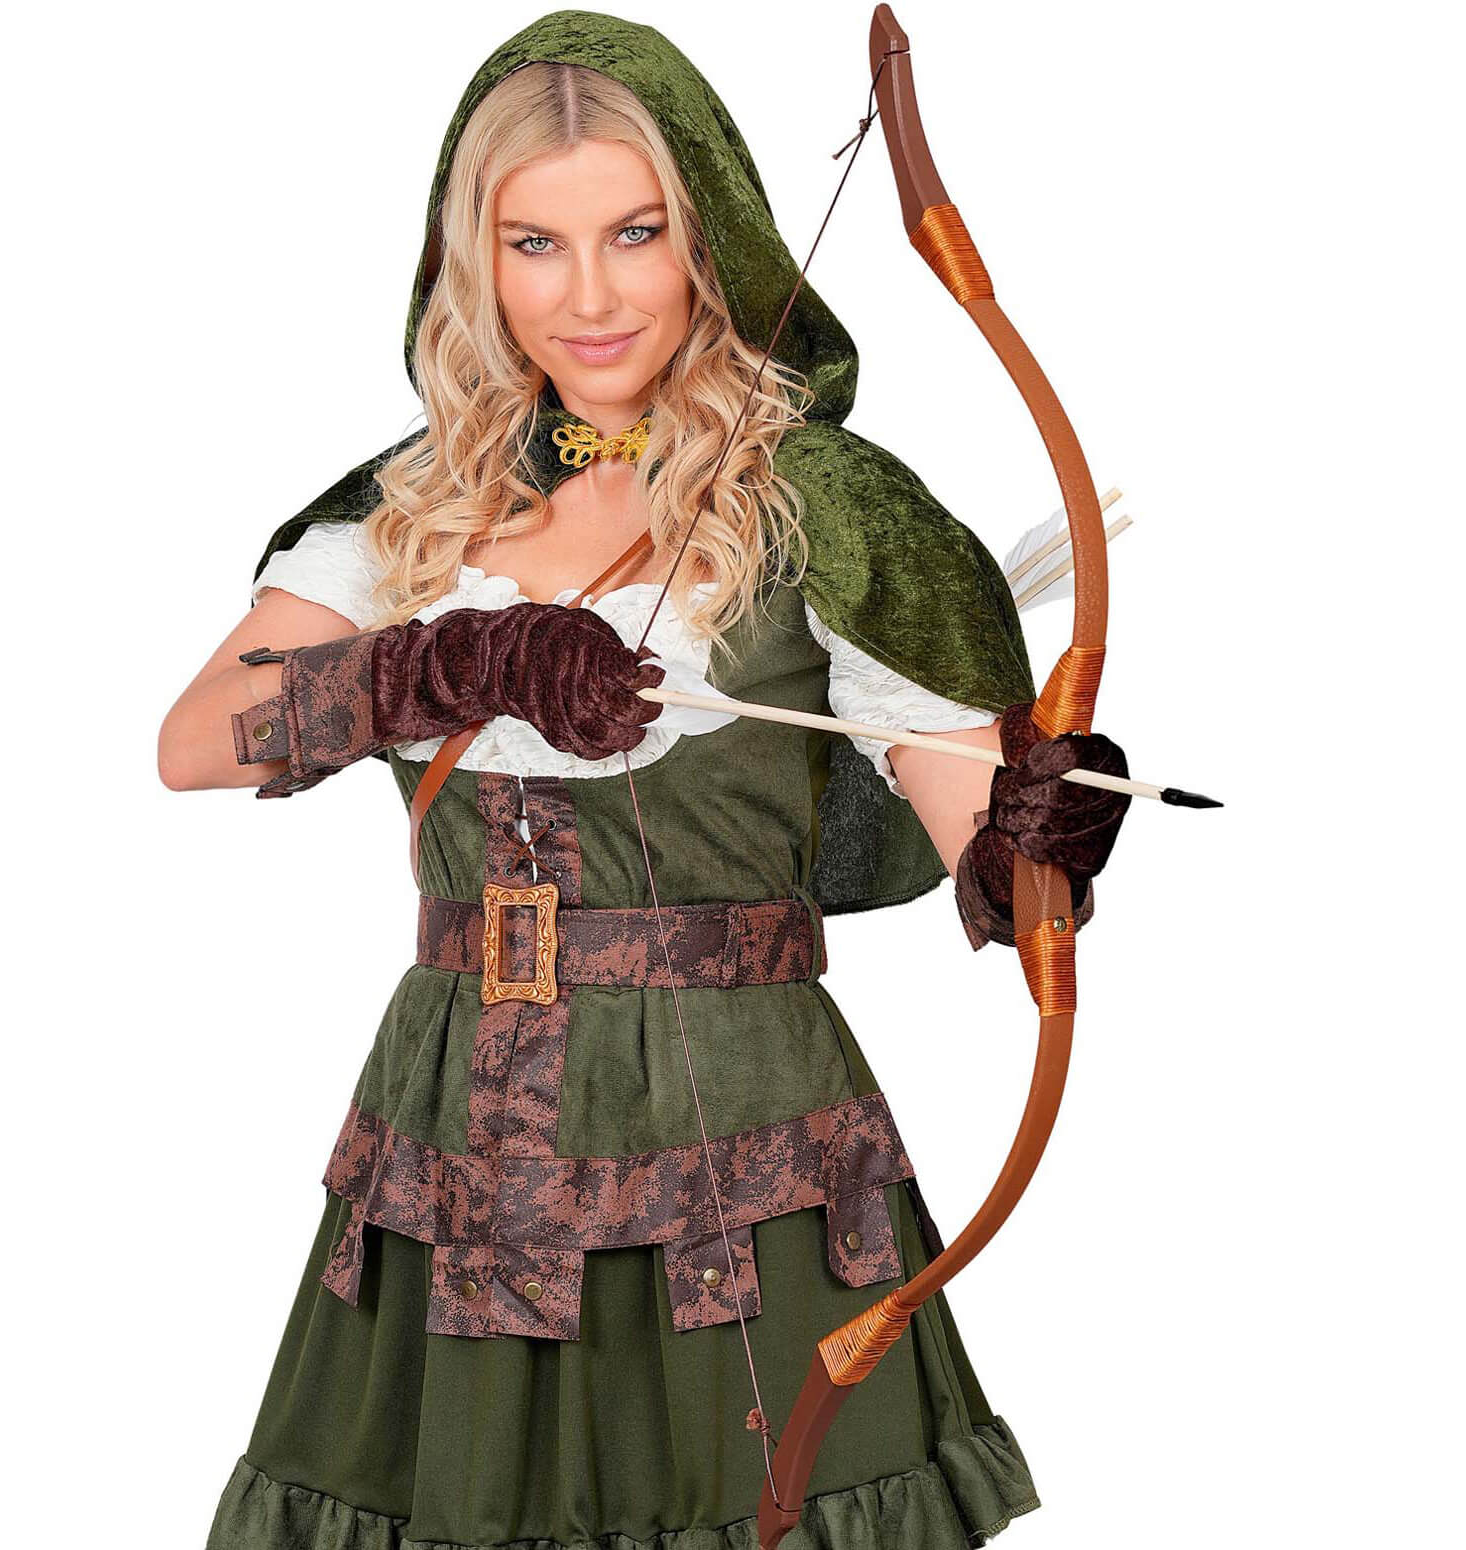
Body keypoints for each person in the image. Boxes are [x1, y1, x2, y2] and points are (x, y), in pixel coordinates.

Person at [161, 13, 1130, 1548]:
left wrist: (1037, 836)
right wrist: (453, 660)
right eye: (534, 244)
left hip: (740, 1120)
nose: (592, 296)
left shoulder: (822, 506)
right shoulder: (414, 501)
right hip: (457, 1111)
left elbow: (989, 856)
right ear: (472, 260)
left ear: (709, 239)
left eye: (635, 232)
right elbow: (195, 741)